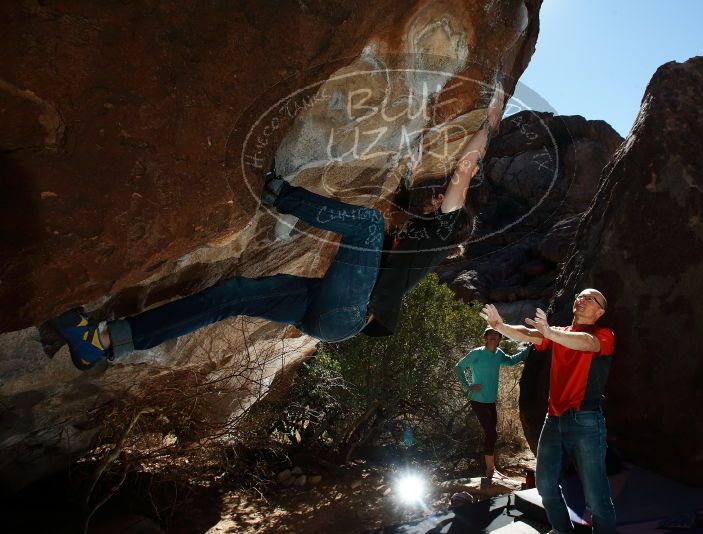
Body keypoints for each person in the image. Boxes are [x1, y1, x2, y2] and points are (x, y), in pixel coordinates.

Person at [49, 86, 505, 370]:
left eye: (439, 200)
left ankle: (274, 192)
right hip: (323, 310)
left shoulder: (443, 232)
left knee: (366, 224)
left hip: (345, 314)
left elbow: (463, 169)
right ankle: (106, 342)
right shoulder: (409, 239)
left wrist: (491, 118)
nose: (432, 198)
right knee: (232, 295)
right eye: (431, 197)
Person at [481, 289, 616, 534]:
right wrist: (500, 325)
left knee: (596, 496)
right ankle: (562, 530)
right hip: (553, 420)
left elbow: (586, 342)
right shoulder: (559, 334)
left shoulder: (603, 335)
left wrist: (550, 332)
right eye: (580, 296)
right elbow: (530, 334)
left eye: (590, 298)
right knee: (545, 487)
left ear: (600, 311)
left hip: (586, 421)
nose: (582, 300)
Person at [454, 326, 529, 483]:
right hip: (477, 399)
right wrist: (468, 385)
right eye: (490, 334)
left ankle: (491, 468)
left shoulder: (498, 354)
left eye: (496, 334)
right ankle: (490, 470)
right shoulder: (477, 353)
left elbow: (510, 361)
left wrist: (530, 349)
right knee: (491, 434)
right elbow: (459, 367)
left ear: (500, 338)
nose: (493, 337)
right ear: (485, 337)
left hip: (490, 400)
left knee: (492, 434)